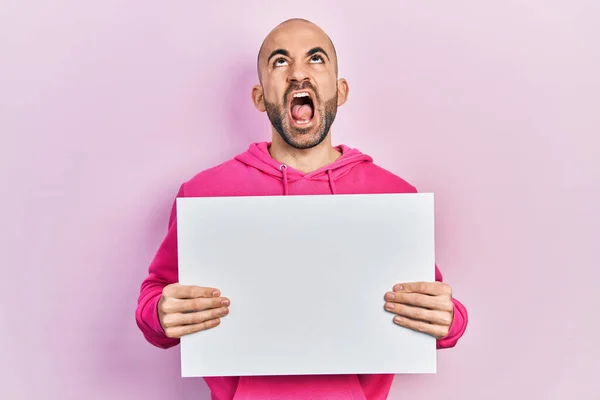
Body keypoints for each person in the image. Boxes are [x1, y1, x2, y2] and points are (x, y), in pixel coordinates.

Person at [135, 18, 468, 400]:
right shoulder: (203, 194)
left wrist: (451, 320)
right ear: (260, 98)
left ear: (340, 91)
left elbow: (436, 307)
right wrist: (160, 313)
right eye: (280, 62)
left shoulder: (394, 197)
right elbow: (153, 298)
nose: (298, 74)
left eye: (315, 59)